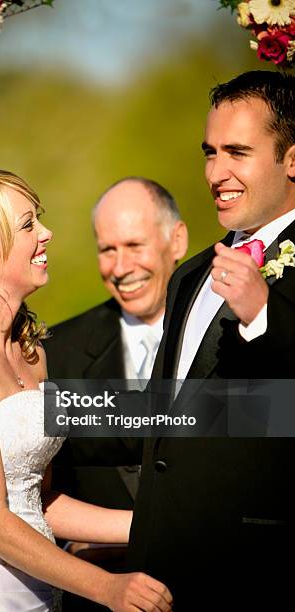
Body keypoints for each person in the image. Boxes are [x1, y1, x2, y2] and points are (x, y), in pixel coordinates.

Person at [0, 160, 174, 612]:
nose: (47, 233)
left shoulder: (30, 352)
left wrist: (154, 523)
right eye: (27, 225)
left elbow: (36, 503)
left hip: (39, 592)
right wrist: (106, 587)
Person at [127, 70, 295, 611]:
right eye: (210, 153)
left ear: (292, 160)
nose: (215, 173)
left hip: (259, 572)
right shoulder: (190, 274)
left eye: (238, 152)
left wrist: (265, 317)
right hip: (161, 573)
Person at [45, 178, 187, 609]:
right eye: (108, 250)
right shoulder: (57, 351)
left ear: (175, 240)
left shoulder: (229, 332)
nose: (121, 267)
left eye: (135, 245)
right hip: (99, 595)